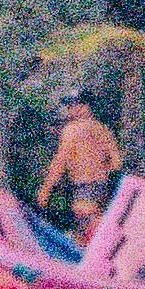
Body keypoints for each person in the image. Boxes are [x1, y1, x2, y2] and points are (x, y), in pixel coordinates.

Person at [38, 96, 123, 234]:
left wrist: (45, 190)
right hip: (103, 186)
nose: (71, 110)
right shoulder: (102, 129)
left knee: (89, 233)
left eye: (74, 105)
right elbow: (116, 163)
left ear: (86, 106)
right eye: (69, 106)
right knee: (95, 230)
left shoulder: (72, 129)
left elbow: (60, 161)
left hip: (84, 186)